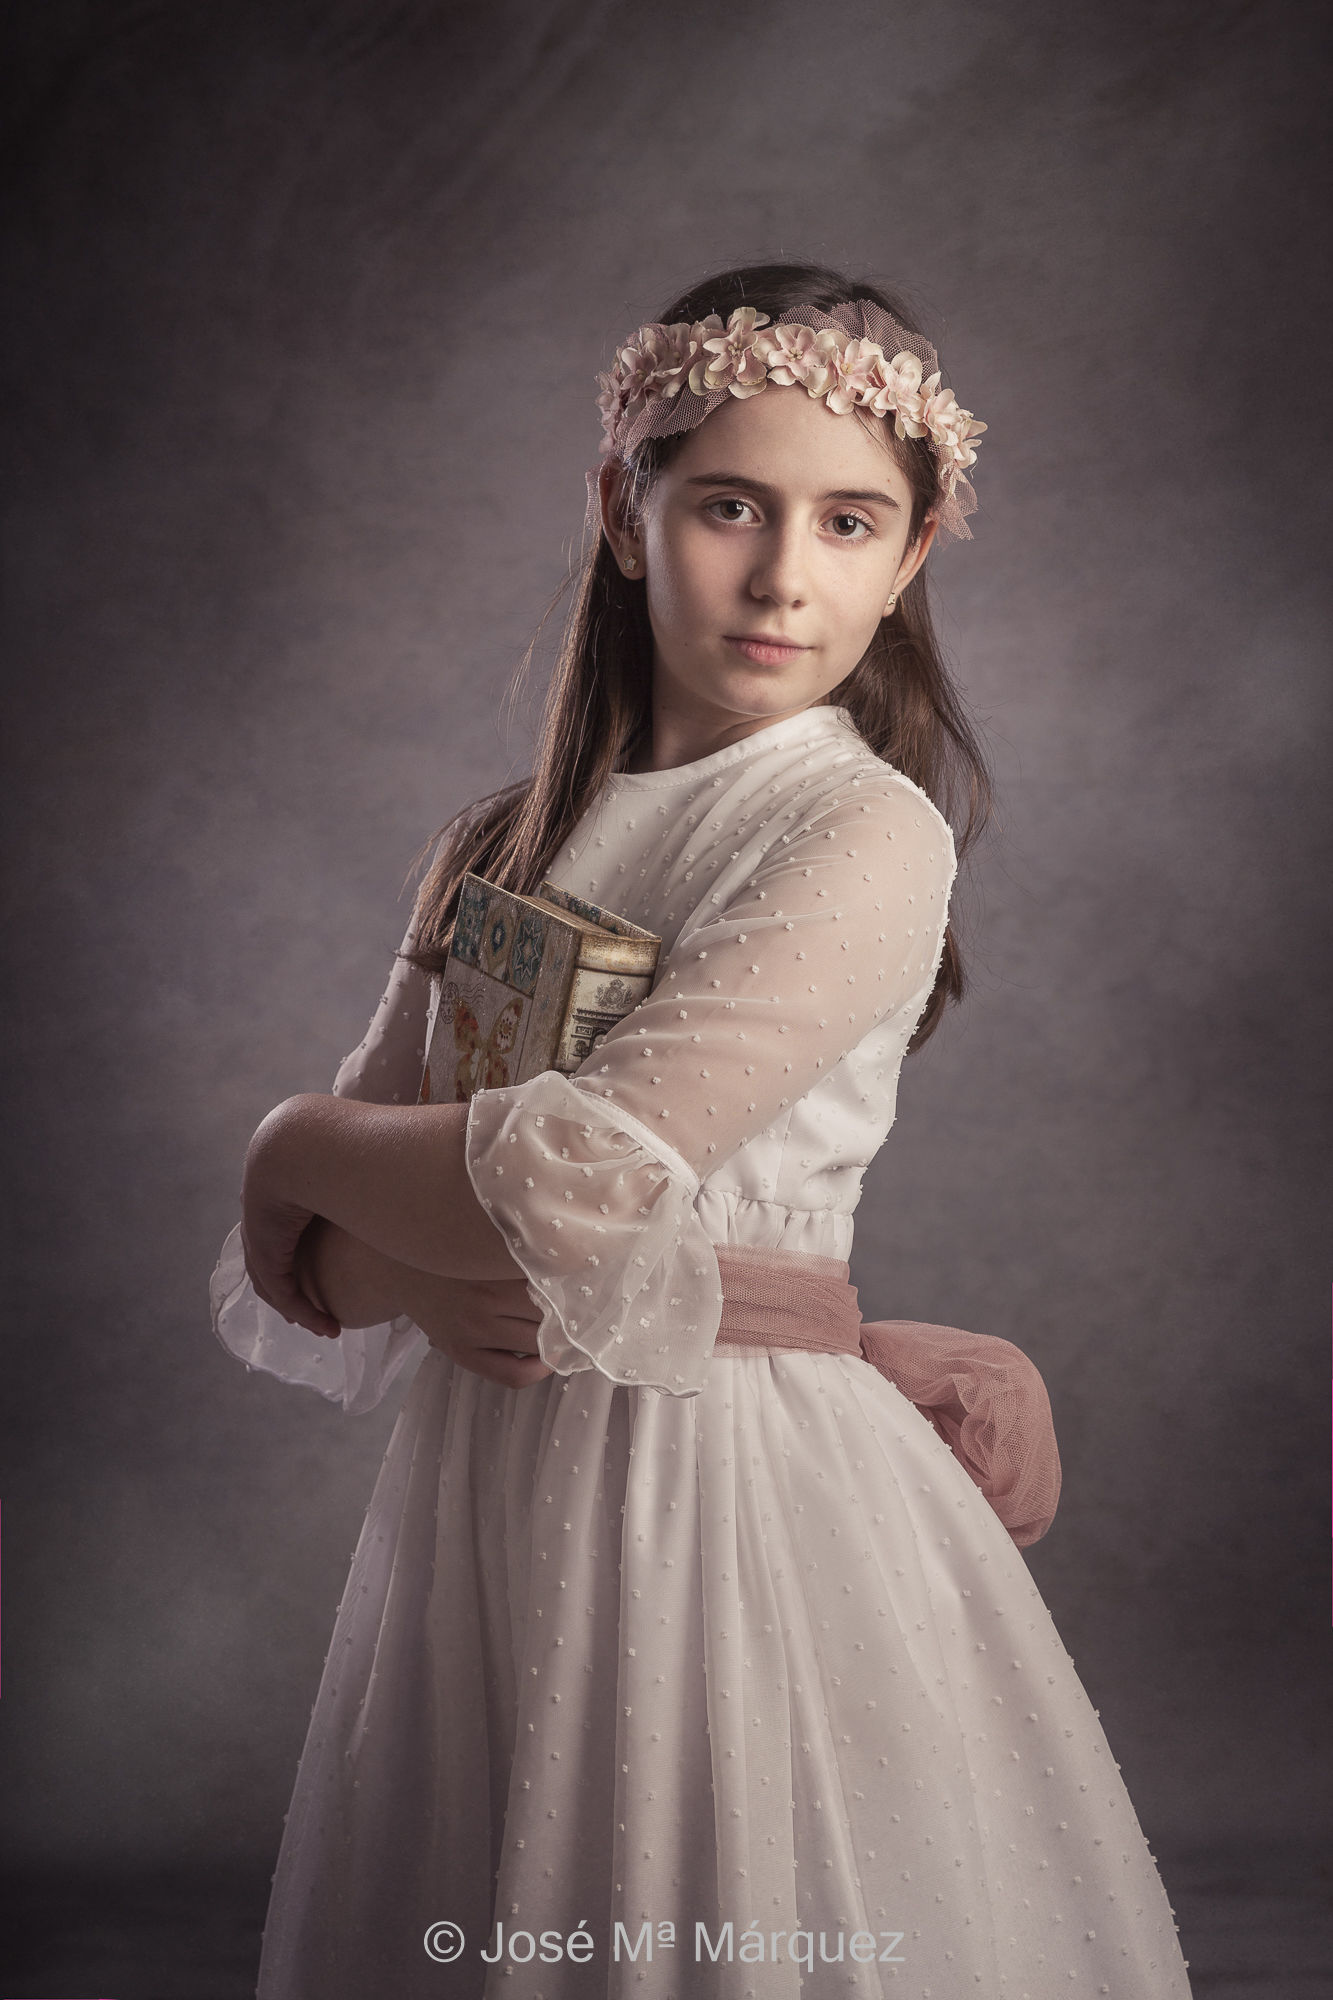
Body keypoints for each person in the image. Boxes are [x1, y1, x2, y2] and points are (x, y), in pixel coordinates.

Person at [212, 261, 1193, 1997]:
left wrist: (292, 1142)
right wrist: (399, 1243)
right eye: (728, 503)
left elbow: (560, 1194)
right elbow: (320, 1286)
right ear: (620, 508)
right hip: (491, 1490)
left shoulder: (857, 830)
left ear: (908, 561)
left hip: (721, 1487)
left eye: (846, 522)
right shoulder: (499, 838)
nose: (779, 573)